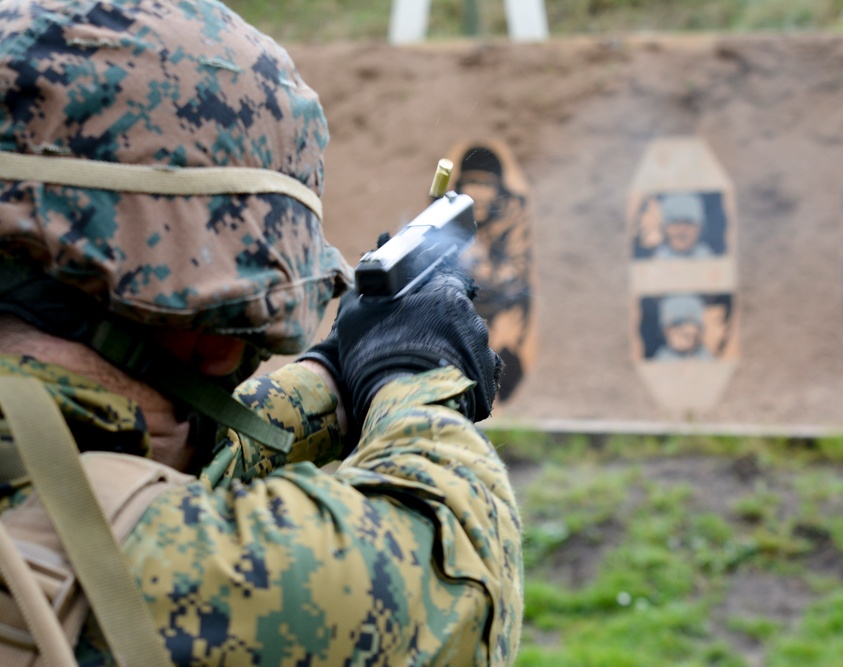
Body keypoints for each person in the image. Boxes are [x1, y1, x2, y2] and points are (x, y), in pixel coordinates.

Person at [0, 1, 522, 666]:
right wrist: (415, 374)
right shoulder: (166, 567)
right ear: (218, 335)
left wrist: (334, 374)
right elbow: (451, 582)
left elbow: (118, 456)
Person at [455, 146, 533, 401]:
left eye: (486, 184)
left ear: (498, 188)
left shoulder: (512, 215)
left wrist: (489, 271)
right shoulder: (448, 215)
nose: (478, 192)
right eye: (472, 183)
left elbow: (519, 268)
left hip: (499, 304)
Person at [653, 193, 715, 259]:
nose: (681, 230)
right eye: (675, 223)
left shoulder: (707, 257)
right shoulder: (658, 258)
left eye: (688, 223)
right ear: (664, 227)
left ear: (700, 228)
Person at [654, 295, 713, 361]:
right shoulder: (662, 357)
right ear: (665, 332)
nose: (685, 331)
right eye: (676, 326)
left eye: (689, 323)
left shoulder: (704, 355)